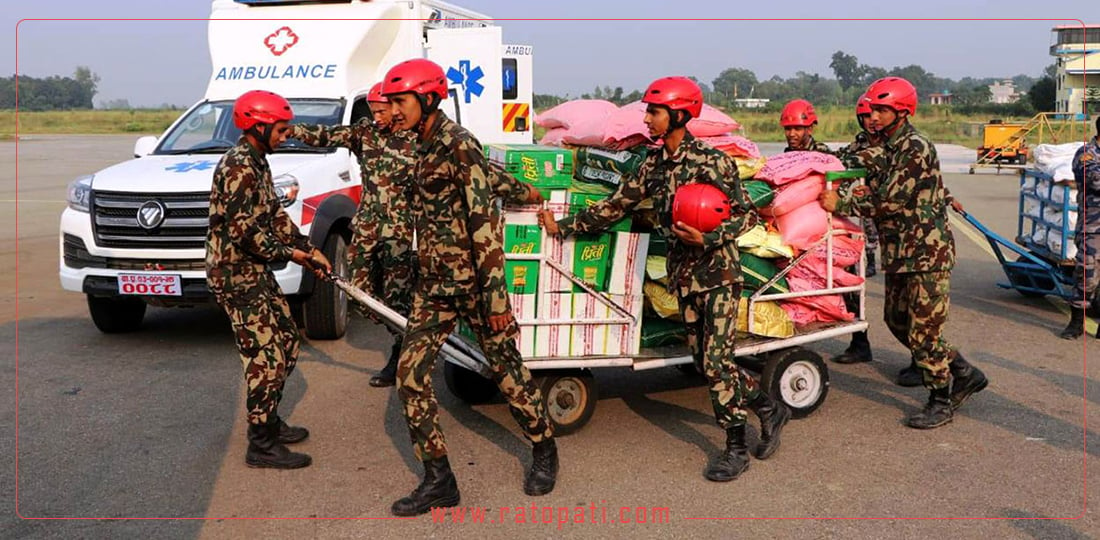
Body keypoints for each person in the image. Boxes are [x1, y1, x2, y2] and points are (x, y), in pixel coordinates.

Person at [539, 77, 791, 481]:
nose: (648, 119)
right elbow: (616, 204)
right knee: (703, 361)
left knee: (716, 361)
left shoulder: (712, 162)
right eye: (648, 111)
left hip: (718, 274)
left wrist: (708, 236)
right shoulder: (654, 165)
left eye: (654, 112)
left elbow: (746, 214)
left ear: (678, 114)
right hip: (684, 275)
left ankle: (736, 447)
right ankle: (768, 406)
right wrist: (563, 226)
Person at [380, 59, 555, 516]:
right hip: (434, 286)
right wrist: (527, 191)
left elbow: (484, 223)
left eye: (400, 101)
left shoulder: (458, 143)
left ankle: (543, 448)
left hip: (477, 287)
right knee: (410, 377)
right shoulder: (422, 144)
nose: (393, 110)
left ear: (428, 99)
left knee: (507, 374)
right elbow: (489, 180)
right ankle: (439, 479)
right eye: (392, 102)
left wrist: (496, 300)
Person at [820, 77, 987, 429]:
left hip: (927, 253)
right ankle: (963, 371)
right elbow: (860, 158)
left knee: (924, 332)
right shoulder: (889, 146)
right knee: (897, 322)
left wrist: (842, 201)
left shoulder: (915, 147)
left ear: (902, 111)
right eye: (874, 109)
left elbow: (891, 199)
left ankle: (940, 398)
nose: (875, 116)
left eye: (883, 110)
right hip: (901, 252)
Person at [206, 90, 332, 469]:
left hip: (253, 270)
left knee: (288, 342)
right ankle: (261, 443)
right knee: (267, 357)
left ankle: (269, 420)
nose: (285, 135)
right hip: (235, 273)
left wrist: (308, 247)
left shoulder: (257, 161)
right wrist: (292, 255)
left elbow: (274, 215)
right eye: (279, 129)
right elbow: (246, 233)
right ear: (258, 126)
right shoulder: (238, 167)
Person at [288, 83, 417, 388]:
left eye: (383, 110)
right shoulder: (365, 133)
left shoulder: (415, 137)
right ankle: (404, 333)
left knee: (398, 298)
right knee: (359, 292)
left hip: (398, 231)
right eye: (374, 111)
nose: (379, 116)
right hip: (368, 226)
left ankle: (402, 357)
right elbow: (327, 135)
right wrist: (290, 131)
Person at [829, 94, 879, 366]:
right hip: (856, 222)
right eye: (866, 117)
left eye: (876, 115)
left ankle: (921, 360)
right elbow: (839, 161)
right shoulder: (858, 144)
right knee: (850, 286)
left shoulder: (893, 147)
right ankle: (860, 342)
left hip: (884, 223)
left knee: (905, 304)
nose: (872, 121)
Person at [1060, 115, 1100, 339]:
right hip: (1093, 229)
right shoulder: (1087, 155)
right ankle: (1076, 323)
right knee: (1087, 276)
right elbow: (1096, 181)